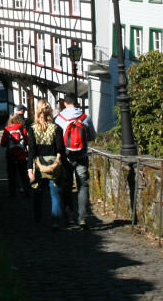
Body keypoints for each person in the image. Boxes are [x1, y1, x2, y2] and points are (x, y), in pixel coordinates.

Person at [55, 96, 96, 229]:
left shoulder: (59, 118)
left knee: (66, 185)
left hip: (66, 157)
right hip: (82, 156)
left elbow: (57, 139)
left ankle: (69, 215)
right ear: (76, 103)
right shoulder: (85, 117)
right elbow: (92, 136)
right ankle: (82, 218)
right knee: (83, 185)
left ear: (65, 103)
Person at [26, 101, 66, 229]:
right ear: (50, 112)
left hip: (38, 165)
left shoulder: (32, 128)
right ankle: (55, 222)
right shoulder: (56, 128)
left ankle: (38, 218)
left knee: (38, 192)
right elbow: (60, 149)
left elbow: (31, 150)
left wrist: (29, 168)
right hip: (54, 165)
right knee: (55, 194)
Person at [0, 113, 30, 197]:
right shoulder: (22, 129)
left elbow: (2, 143)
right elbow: (27, 141)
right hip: (22, 155)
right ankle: (26, 191)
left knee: (11, 174)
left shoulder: (7, 130)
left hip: (10, 156)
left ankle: (12, 193)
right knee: (23, 174)